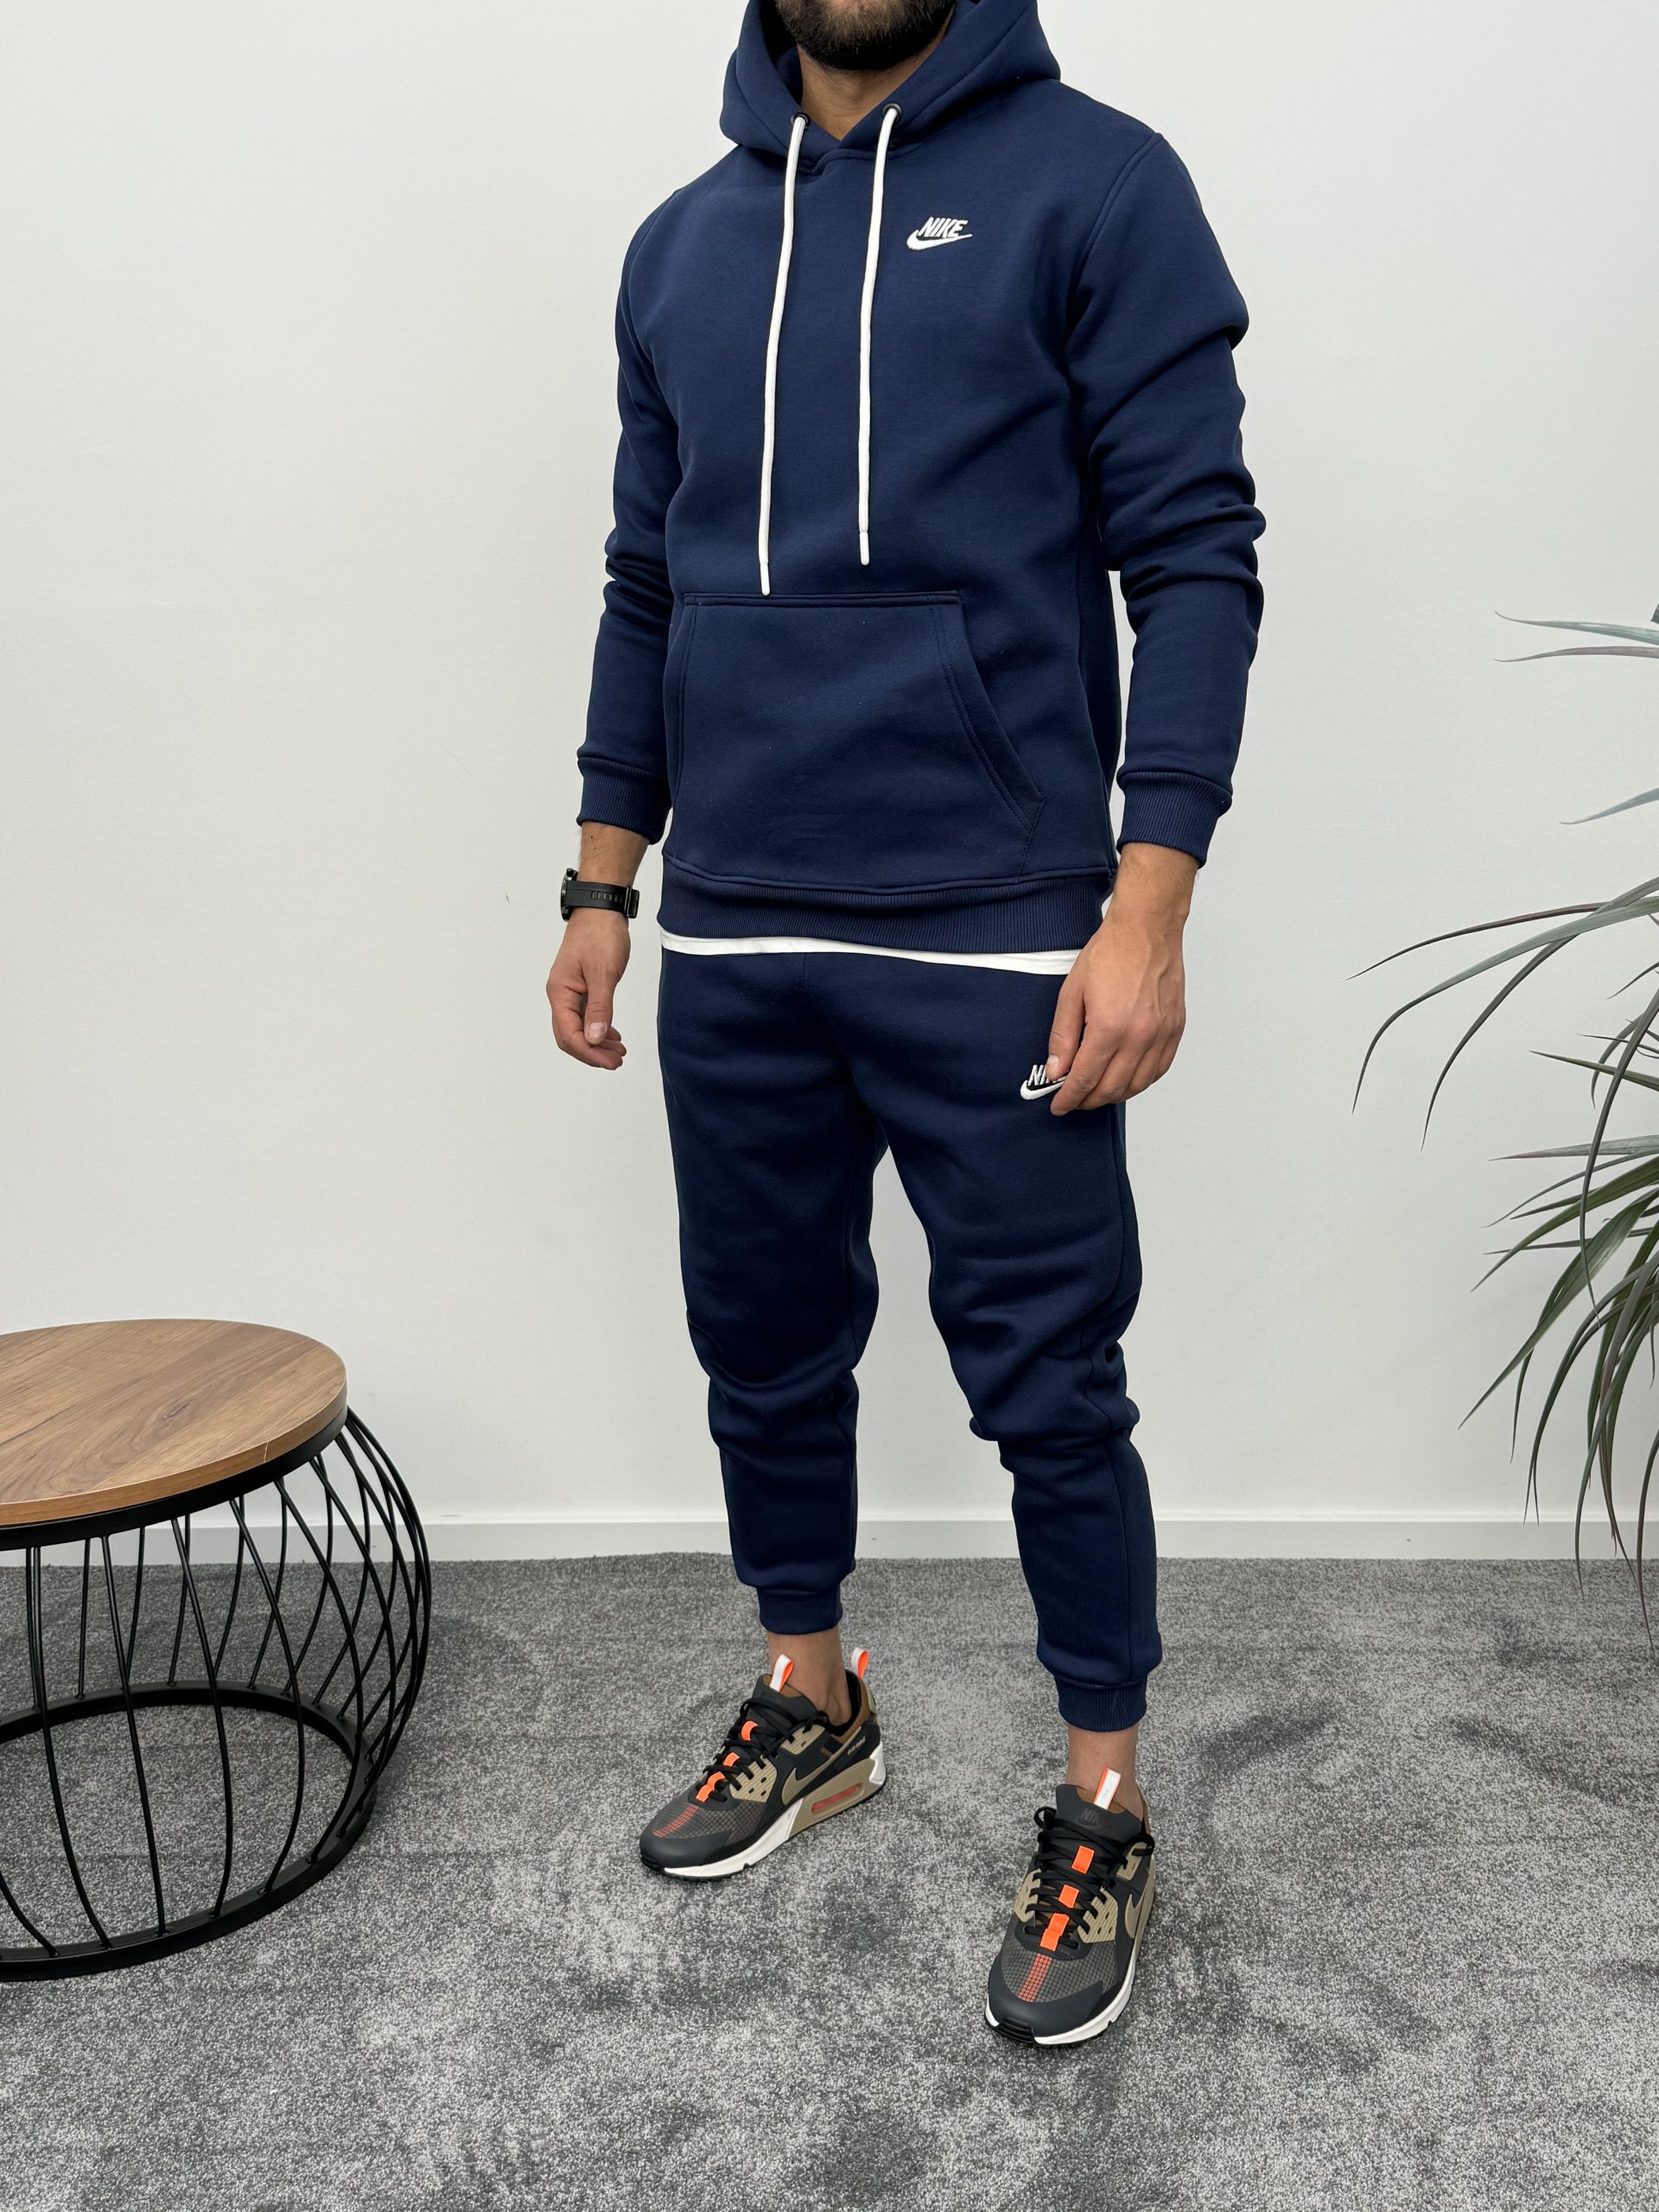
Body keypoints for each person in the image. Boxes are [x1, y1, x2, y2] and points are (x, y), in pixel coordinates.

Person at [547, 0, 1262, 2045]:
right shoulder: (680, 243)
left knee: (1050, 1382)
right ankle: (813, 1695)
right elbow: (645, 578)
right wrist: (603, 876)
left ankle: (1106, 1793)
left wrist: (1149, 904)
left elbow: (1194, 559)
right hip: (737, 919)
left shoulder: (1099, 183)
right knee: (763, 1346)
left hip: (1002, 925)